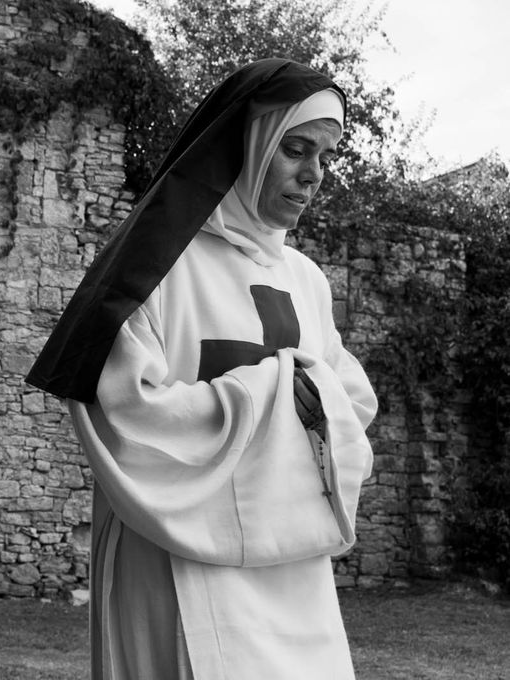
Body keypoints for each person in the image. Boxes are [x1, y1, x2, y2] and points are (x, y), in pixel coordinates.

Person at [26, 59, 378, 680]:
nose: (313, 175)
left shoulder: (306, 280)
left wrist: (307, 395)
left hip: (291, 563)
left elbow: (351, 404)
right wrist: (269, 394)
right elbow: (122, 410)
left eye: (325, 157)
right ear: (247, 144)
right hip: (175, 550)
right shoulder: (156, 267)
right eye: (295, 149)